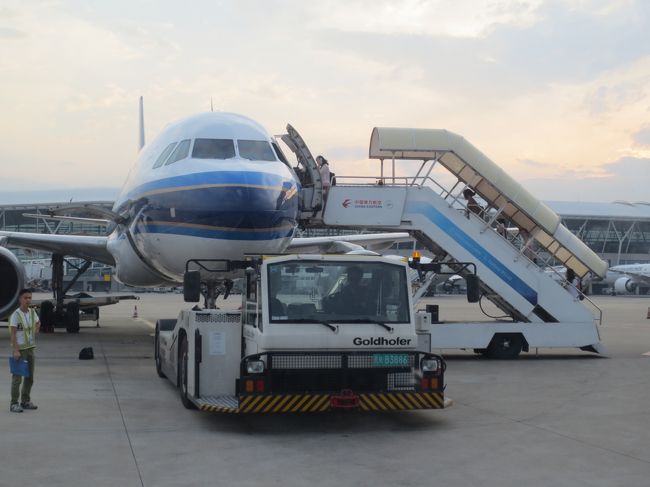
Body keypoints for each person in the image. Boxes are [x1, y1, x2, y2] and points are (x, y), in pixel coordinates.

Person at [9, 289, 40, 413]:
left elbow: (38, 322)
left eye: (30, 298)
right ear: (20, 299)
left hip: (30, 349)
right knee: (17, 378)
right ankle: (14, 403)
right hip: (20, 350)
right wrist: (15, 350)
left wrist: (36, 329)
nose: (28, 300)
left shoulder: (32, 312)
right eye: (25, 298)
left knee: (30, 377)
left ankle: (25, 401)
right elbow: (13, 334)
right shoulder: (15, 315)